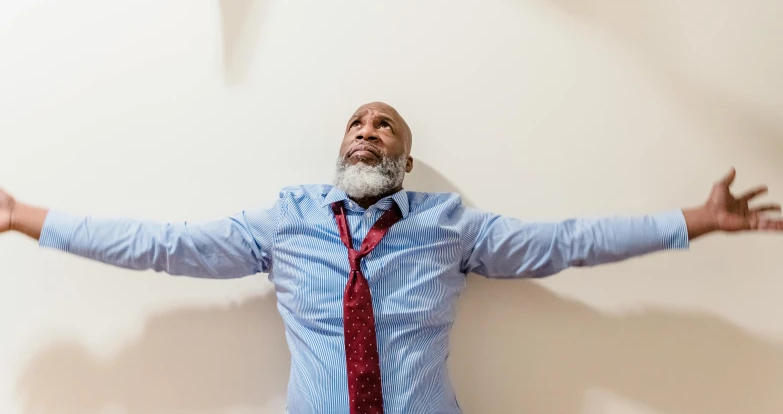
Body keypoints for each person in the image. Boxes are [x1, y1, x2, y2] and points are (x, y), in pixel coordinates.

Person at [2, 101, 781, 414]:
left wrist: (697, 220)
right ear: (340, 148)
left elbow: (566, 243)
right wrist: (24, 217)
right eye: (357, 123)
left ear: (404, 165)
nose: (368, 130)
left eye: (387, 127)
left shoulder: (449, 226)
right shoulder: (284, 222)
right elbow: (159, 247)